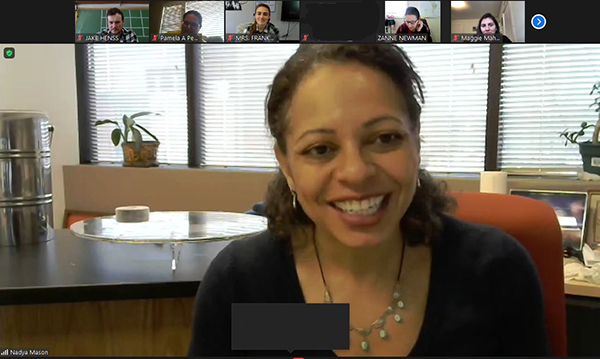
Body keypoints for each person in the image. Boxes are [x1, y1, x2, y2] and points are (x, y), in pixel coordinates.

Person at [188, 45, 549, 356]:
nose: (356, 173)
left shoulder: (494, 275)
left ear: (416, 143)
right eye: (321, 149)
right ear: (287, 165)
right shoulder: (245, 287)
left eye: (385, 138)